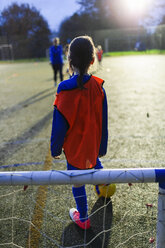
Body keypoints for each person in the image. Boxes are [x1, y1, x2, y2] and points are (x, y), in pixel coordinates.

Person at [50, 35, 108, 230]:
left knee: (77, 181)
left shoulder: (64, 88)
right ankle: (104, 185)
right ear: (92, 61)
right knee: (94, 160)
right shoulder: (99, 86)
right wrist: (102, 147)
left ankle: (82, 217)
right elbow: (104, 122)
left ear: (69, 60)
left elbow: (59, 125)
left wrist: (55, 148)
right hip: (93, 144)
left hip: (74, 148)